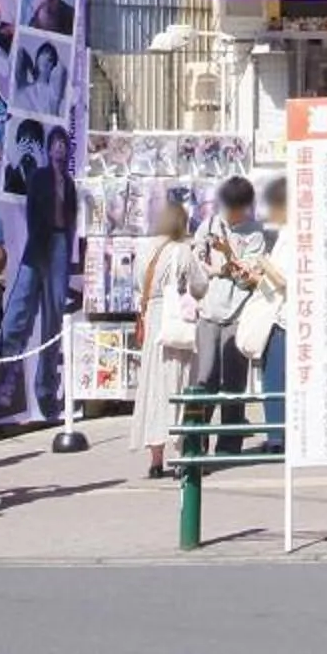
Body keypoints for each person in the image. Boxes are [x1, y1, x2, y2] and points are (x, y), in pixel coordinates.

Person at [0, 125, 79, 422]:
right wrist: (37, 242)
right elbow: (32, 211)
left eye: (63, 144)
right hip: (39, 243)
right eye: (55, 144)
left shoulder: (69, 182)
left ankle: (46, 389)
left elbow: (70, 220)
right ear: (49, 149)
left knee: (54, 315)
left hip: (59, 243)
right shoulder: (39, 177)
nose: (59, 149)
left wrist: (67, 248)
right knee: (20, 307)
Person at [188, 176, 270, 457]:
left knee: (233, 384)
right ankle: (195, 443)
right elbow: (197, 260)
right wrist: (206, 260)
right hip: (209, 312)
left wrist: (227, 258)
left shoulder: (255, 233)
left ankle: (228, 447)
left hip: (237, 314)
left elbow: (248, 279)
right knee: (204, 379)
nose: (233, 213)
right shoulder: (209, 225)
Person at [131, 195, 204, 480]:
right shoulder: (182, 251)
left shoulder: (147, 250)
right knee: (180, 383)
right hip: (176, 322)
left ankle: (155, 460)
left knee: (152, 388)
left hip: (152, 321)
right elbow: (199, 285)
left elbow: (139, 284)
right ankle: (181, 454)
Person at [249, 180, 292, 450]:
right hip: (285, 315)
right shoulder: (290, 232)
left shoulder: (291, 235)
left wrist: (262, 261)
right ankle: (279, 435)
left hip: (284, 318)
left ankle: (277, 438)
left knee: (275, 378)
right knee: (278, 378)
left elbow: (284, 279)